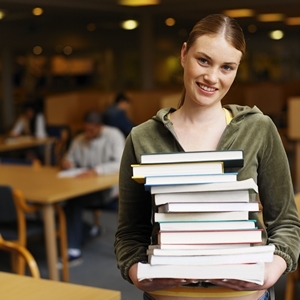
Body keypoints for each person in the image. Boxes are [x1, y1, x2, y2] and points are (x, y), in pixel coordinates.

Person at [114, 14, 300, 300]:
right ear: (184, 53)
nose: (212, 77)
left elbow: (286, 224)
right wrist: (137, 274)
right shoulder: (142, 138)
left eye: (227, 67)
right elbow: (130, 233)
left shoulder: (258, 129)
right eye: (203, 60)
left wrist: (271, 270)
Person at [61, 110, 125, 265]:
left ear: (100, 127)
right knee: (63, 203)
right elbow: (70, 157)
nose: (87, 134)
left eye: (91, 130)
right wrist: (67, 162)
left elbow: (120, 163)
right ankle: (87, 230)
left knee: (72, 203)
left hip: (108, 190)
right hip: (82, 186)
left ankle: (73, 250)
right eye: (85, 129)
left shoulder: (114, 136)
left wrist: (97, 170)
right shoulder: (80, 139)